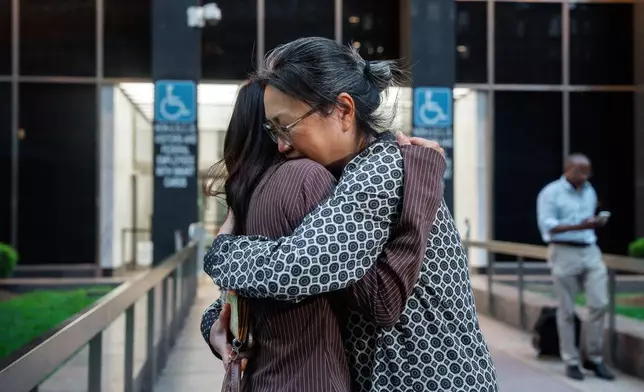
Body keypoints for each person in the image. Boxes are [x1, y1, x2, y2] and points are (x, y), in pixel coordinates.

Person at [203, 37, 498, 392]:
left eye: (286, 125)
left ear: (343, 111)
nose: (281, 144)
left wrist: (221, 251)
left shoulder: (381, 169)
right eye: (273, 131)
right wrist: (213, 321)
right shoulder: (346, 174)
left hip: (431, 381)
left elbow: (302, 268)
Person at [203, 79, 356, 391]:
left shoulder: (249, 193)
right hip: (315, 378)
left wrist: (211, 324)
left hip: (260, 378)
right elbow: (369, 297)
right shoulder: (308, 177)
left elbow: (244, 290)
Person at [537, 153, 615, 381]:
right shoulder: (551, 193)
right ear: (568, 169)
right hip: (563, 251)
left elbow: (586, 222)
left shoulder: (589, 190)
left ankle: (594, 357)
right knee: (567, 310)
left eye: (588, 171)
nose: (585, 176)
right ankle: (571, 361)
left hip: (590, 250)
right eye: (580, 171)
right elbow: (547, 226)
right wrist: (579, 225)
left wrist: (593, 224)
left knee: (600, 303)